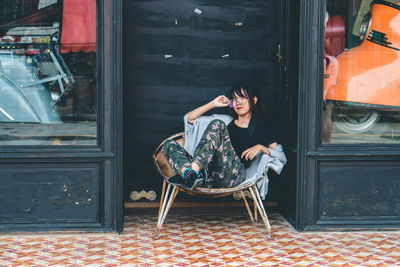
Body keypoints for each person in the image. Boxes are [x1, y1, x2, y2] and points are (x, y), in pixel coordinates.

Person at [162, 82, 278, 190]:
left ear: (254, 100)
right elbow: (189, 118)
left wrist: (261, 148)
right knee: (169, 144)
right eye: (235, 99)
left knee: (218, 124)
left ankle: (191, 172)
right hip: (208, 175)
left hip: (233, 175)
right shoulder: (227, 121)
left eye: (242, 97)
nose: (238, 102)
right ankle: (189, 173)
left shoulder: (260, 129)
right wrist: (213, 104)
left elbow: (280, 156)